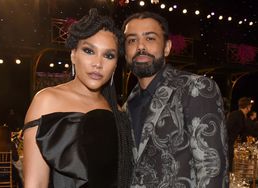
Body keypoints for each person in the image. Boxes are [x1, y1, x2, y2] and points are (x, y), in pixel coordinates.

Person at [23, 9, 133, 188]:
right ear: (73, 55)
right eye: (89, 51)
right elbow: (35, 183)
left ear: (115, 66)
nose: (98, 63)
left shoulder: (117, 113)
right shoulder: (47, 101)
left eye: (108, 55)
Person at [122, 11, 228, 187]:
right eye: (131, 40)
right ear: (125, 52)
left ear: (167, 47)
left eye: (150, 38)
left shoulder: (196, 88)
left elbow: (212, 170)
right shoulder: (128, 104)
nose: (140, 46)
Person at [226, 97, 252, 171]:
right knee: (229, 165)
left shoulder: (242, 116)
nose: (250, 108)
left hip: (231, 143)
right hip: (227, 143)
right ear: (248, 107)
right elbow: (227, 128)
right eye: (250, 106)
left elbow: (243, 131)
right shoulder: (235, 114)